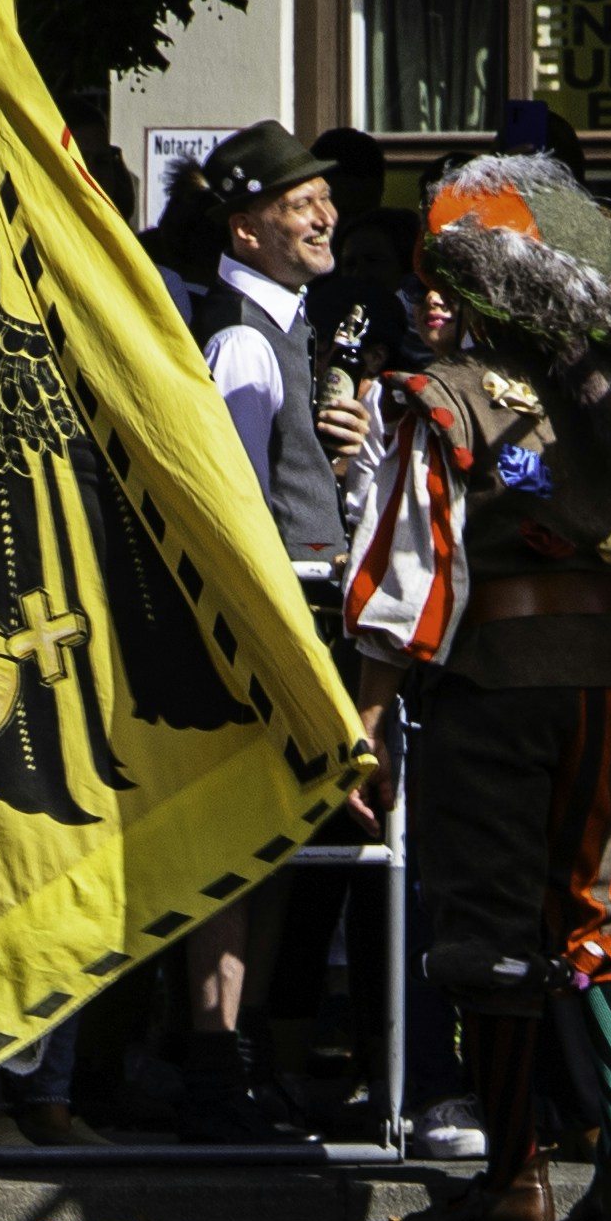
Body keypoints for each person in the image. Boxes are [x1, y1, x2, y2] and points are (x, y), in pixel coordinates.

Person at [342, 153, 611, 1221]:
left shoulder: (437, 396)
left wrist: (366, 715)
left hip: (492, 675)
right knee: (606, 901)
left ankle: (515, 1175)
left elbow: (412, 570)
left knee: (489, 914)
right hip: (606, 672)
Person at [170, 122, 355, 1146]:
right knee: (241, 848)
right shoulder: (244, 337)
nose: (324, 214)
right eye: (299, 203)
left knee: (280, 847)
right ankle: (217, 1063)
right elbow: (234, 507)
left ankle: (249, 1062)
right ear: (245, 228)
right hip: (268, 623)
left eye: (325, 197)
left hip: (304, 612)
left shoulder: (290, 330)